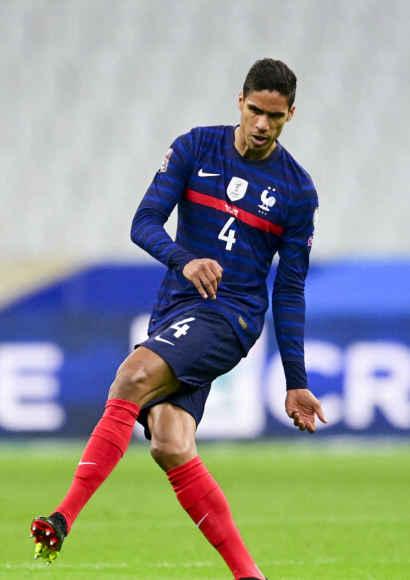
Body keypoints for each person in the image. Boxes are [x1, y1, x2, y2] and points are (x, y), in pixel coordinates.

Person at [30, 58, 327, 580]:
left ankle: (63, 516)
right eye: (255, 111)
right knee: (169, 443)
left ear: (291, 116)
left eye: (274, 118)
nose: (261, 125)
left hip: (231, 316)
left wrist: (294, 381)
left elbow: (291, 288)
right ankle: (249, 575)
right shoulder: (194, 148)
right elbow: (143, 222)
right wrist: (183, 260)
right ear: (240, 102)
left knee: (132, 375)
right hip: (176, 307)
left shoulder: (297, 190)